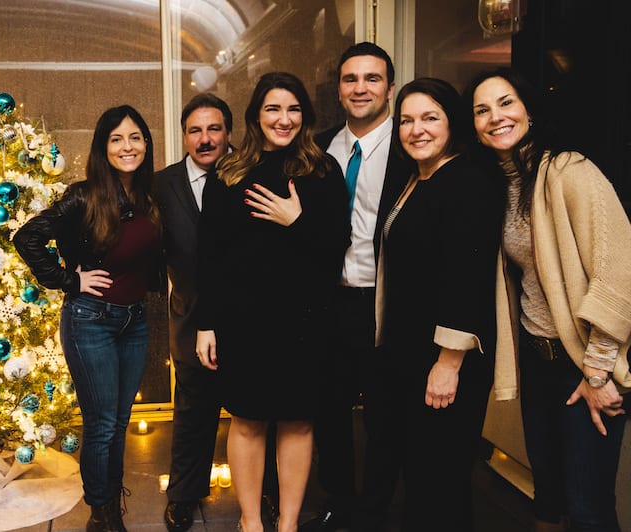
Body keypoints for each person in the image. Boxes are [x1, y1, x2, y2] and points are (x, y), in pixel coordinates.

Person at [465, 67, 631, 532]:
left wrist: (597, 370)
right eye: (481, 110)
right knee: (549, 500)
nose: (495, 116)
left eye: (506, 102)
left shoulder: (569, 170)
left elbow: (620, 272)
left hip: (587, 366)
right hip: (540, 364)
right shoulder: (504, 184)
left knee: (588, 510)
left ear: (529, 111)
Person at [195, 72, 351, 532]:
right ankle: (251, 522)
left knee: (299, 422)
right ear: (255, 115)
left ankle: (286, 524)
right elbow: (210, 257)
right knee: (247, 421)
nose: (283, 120)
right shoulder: (228, 174)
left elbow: (336, 246)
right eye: (273, 109)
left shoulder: (323, 171)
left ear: (304, 116)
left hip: (306, 320)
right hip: (244, 321)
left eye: (293, 109)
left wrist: (296, 219)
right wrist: (207, 324)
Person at [14, 105, 164, 532]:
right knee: (101, 427)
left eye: (135, 137)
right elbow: (27, 237)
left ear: (146, 144)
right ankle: (102, 516)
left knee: (118, 422)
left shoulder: (148, 197)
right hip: (91, 321)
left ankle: (110, 504)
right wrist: (68, 280)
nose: (127, 146)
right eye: (116, 139)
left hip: (134, 321)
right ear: (103, 148)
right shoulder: (83, 196)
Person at [374, 77, 503, 531]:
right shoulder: (418, 178)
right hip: (410, 356)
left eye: (430, 118)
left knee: (440, 480)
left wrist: (448, 363)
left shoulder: (467, 182)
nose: (416, 129)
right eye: (406, 120)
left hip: (445, 362)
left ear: (453, 123)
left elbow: (467, 280)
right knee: (424, 478)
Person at [154, 93, 280, 531]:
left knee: (260, 411)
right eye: (195, 130)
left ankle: (268, 494)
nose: (205, 139)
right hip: (191, 320)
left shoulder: (254, 175)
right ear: (184, 136)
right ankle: (185, 495)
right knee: (194, 412)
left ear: (229, 132)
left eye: (214, 129)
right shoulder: (162, 185)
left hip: (250, 318)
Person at [307, 41, 410, 531]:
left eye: (372, 79)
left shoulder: (411, 146)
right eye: (351, 79)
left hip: (386, 303)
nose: (361, 88)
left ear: (390, 87)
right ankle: (339, 502)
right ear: (339, 90)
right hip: (331, 301)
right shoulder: (320, 146)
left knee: (385, 416)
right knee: (328, 409)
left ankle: (374, 510)